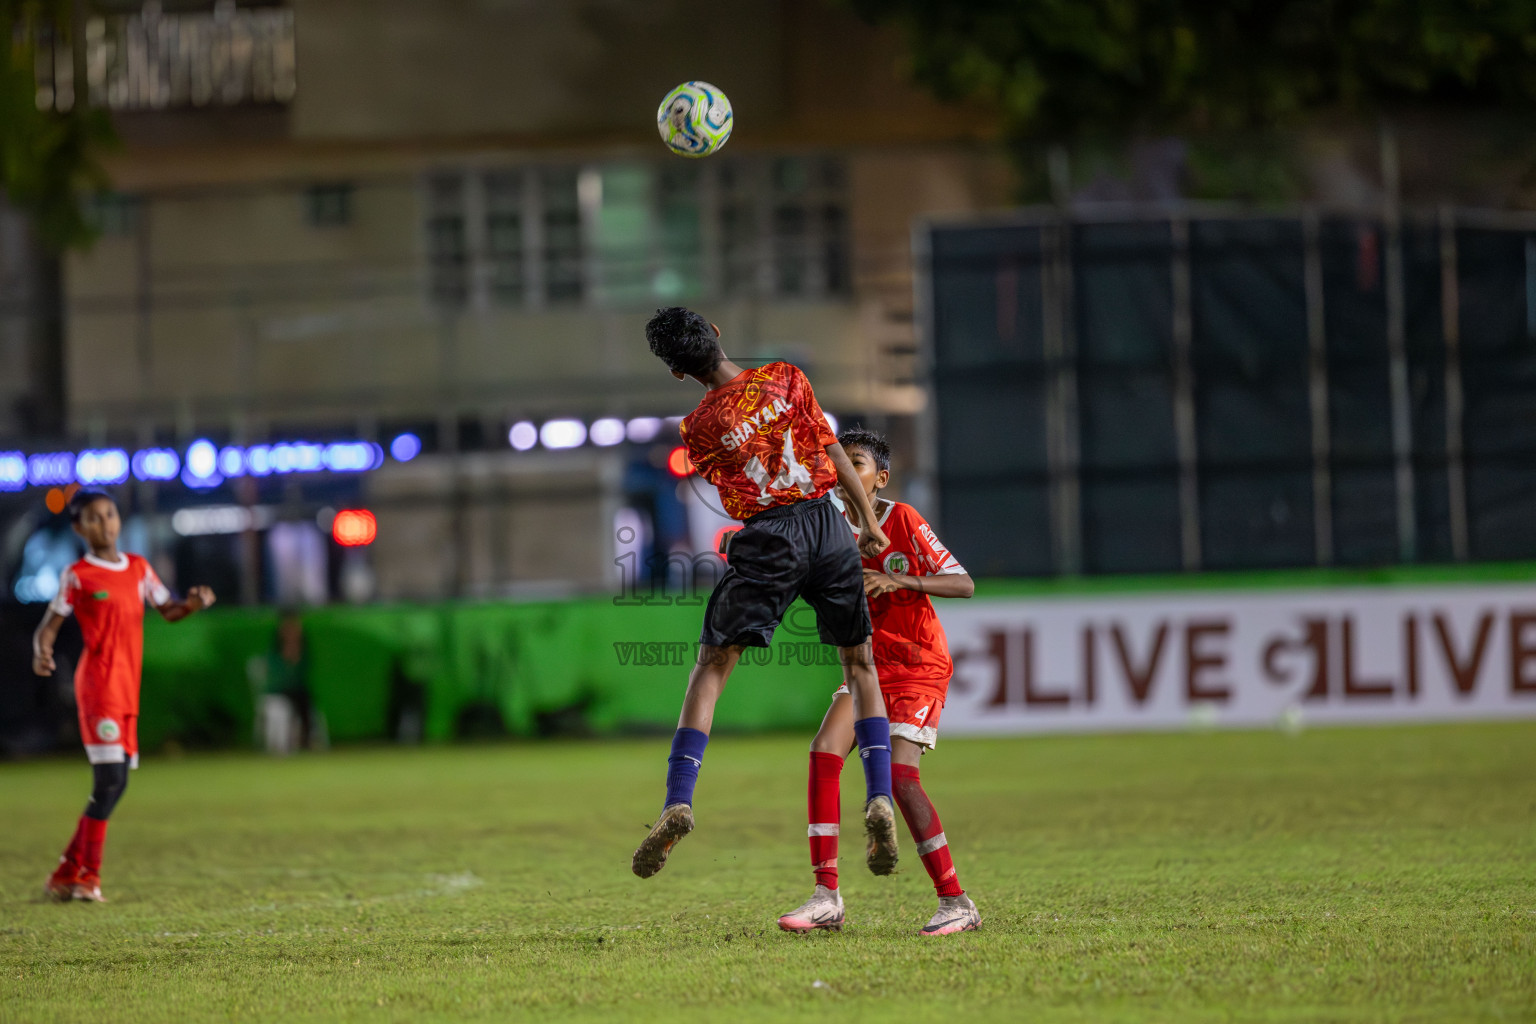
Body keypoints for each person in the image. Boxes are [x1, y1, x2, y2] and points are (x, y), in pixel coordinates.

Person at [631, 307, 898, 881]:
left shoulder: (696, 430)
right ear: (719, 334)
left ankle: (679, 800)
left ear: (678, 373)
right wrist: (868, 521)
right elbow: (828, 452)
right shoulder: (786, 375)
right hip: (827, 527)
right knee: (861, 667)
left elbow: (733, 481)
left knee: (711, 668)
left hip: (769, 536)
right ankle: (880, 796)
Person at [777, 428, 982, 936]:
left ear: (879, 477)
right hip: (864, 667)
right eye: (839, 462)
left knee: (900, 779)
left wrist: (901, 578)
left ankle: (956, 901)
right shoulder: (826, 529)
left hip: (916, 665)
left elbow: (964, 583)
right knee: (824, 751)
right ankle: (827, 896)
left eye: (859, 463)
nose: (847, 471)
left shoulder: (903, 520)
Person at [32, 490, 215, 902]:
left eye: (110, 515)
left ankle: (66, 871)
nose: (105, 523)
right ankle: (87, 877)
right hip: (98, 688)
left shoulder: (138, 568)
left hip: (127, 687)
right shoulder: (78, 575)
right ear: (79, 528)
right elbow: (50, 623)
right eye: (94, 519)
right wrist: (41, 649)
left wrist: (192, 603)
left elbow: (167, 609)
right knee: (111, 781)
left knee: (115, 784)